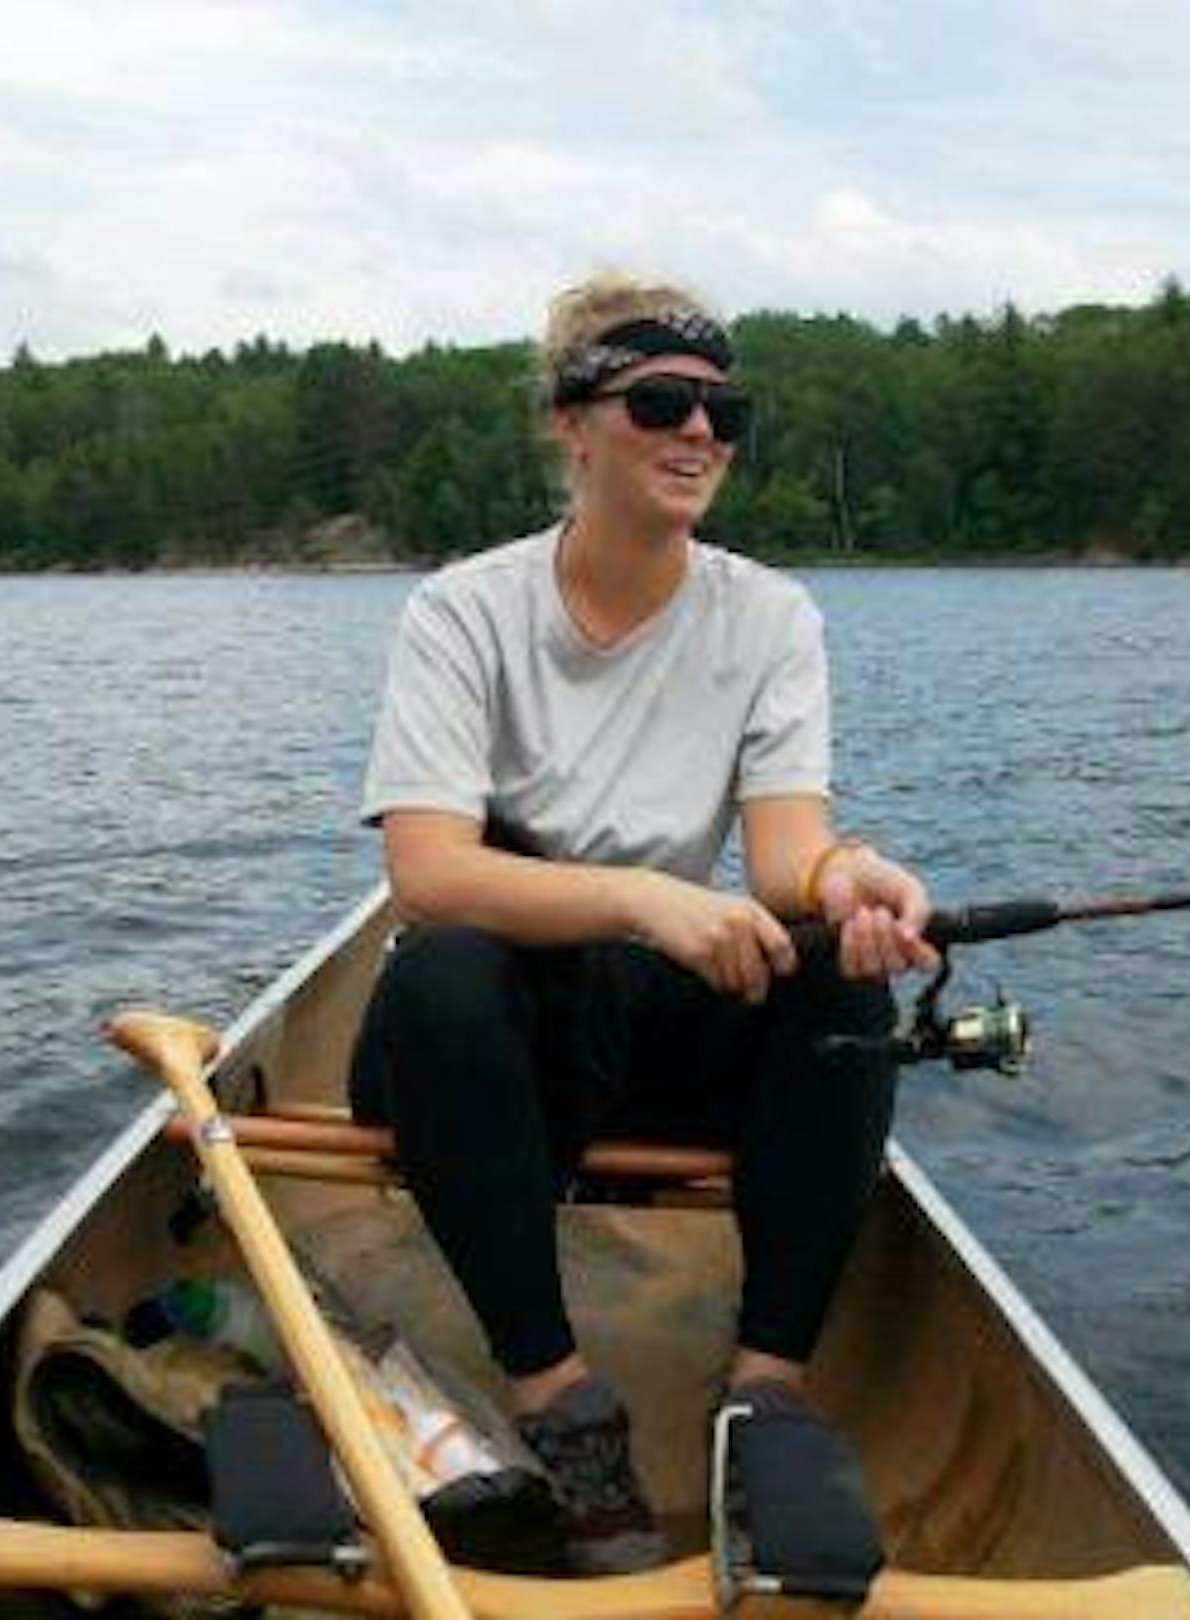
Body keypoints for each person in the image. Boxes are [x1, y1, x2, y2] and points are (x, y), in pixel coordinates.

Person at [349, 271, 938, 1575]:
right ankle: (560, 1398)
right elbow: (427, 875)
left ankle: (765, 1392)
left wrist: (851, 877)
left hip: (646, 1035)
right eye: (662, 403)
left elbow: (785, 858)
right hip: (491, 1041)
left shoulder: (770, 617)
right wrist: (642, 896)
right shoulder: (462, 611)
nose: (701, 434)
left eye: (726, 413)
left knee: (842, 982)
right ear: (572, 423)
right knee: (445, 970)